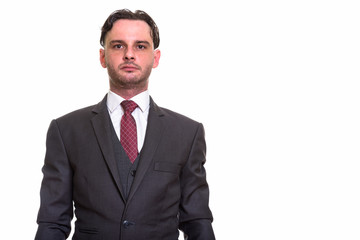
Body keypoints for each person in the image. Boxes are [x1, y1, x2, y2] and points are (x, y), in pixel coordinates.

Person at [35, 9, 215, 240]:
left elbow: (197, 221)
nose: (129, 55)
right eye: (118, 46)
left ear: (156, 57)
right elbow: (52, 222)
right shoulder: (66, 131)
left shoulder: (187, 133)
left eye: (140, 46)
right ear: (103, 57)